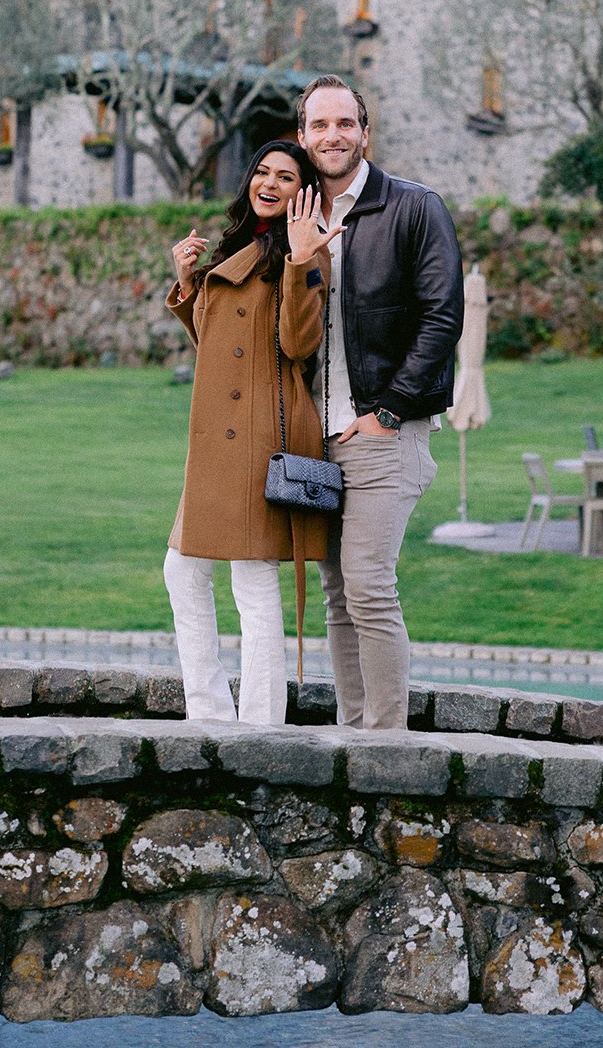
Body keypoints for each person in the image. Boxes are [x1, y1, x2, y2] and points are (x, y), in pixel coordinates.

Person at [296, 75, 464, 731]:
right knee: (338, 594)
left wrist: (390, 409)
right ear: (304, 137)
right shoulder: (300, 215)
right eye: (319, 125)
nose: (332, 135)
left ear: (365, 132)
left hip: (384, 432)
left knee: (368, 585)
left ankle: (386, 742)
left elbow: (441, 316)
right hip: (319, 439)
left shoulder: (414, 207)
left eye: (344, 123)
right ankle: (352, 733)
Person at [163, 140, 343, 725]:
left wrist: (300, 261)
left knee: (252, 573)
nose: (269, 182)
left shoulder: (303, 254)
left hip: (259, 430)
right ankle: (211, 711)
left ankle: (260, 721)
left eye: (286, 177)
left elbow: (297, 344)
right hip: (219, 436)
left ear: (304, 193)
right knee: (184, 568)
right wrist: (188, 285)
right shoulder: (238, 245)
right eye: (262, 172)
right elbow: (218, 350)